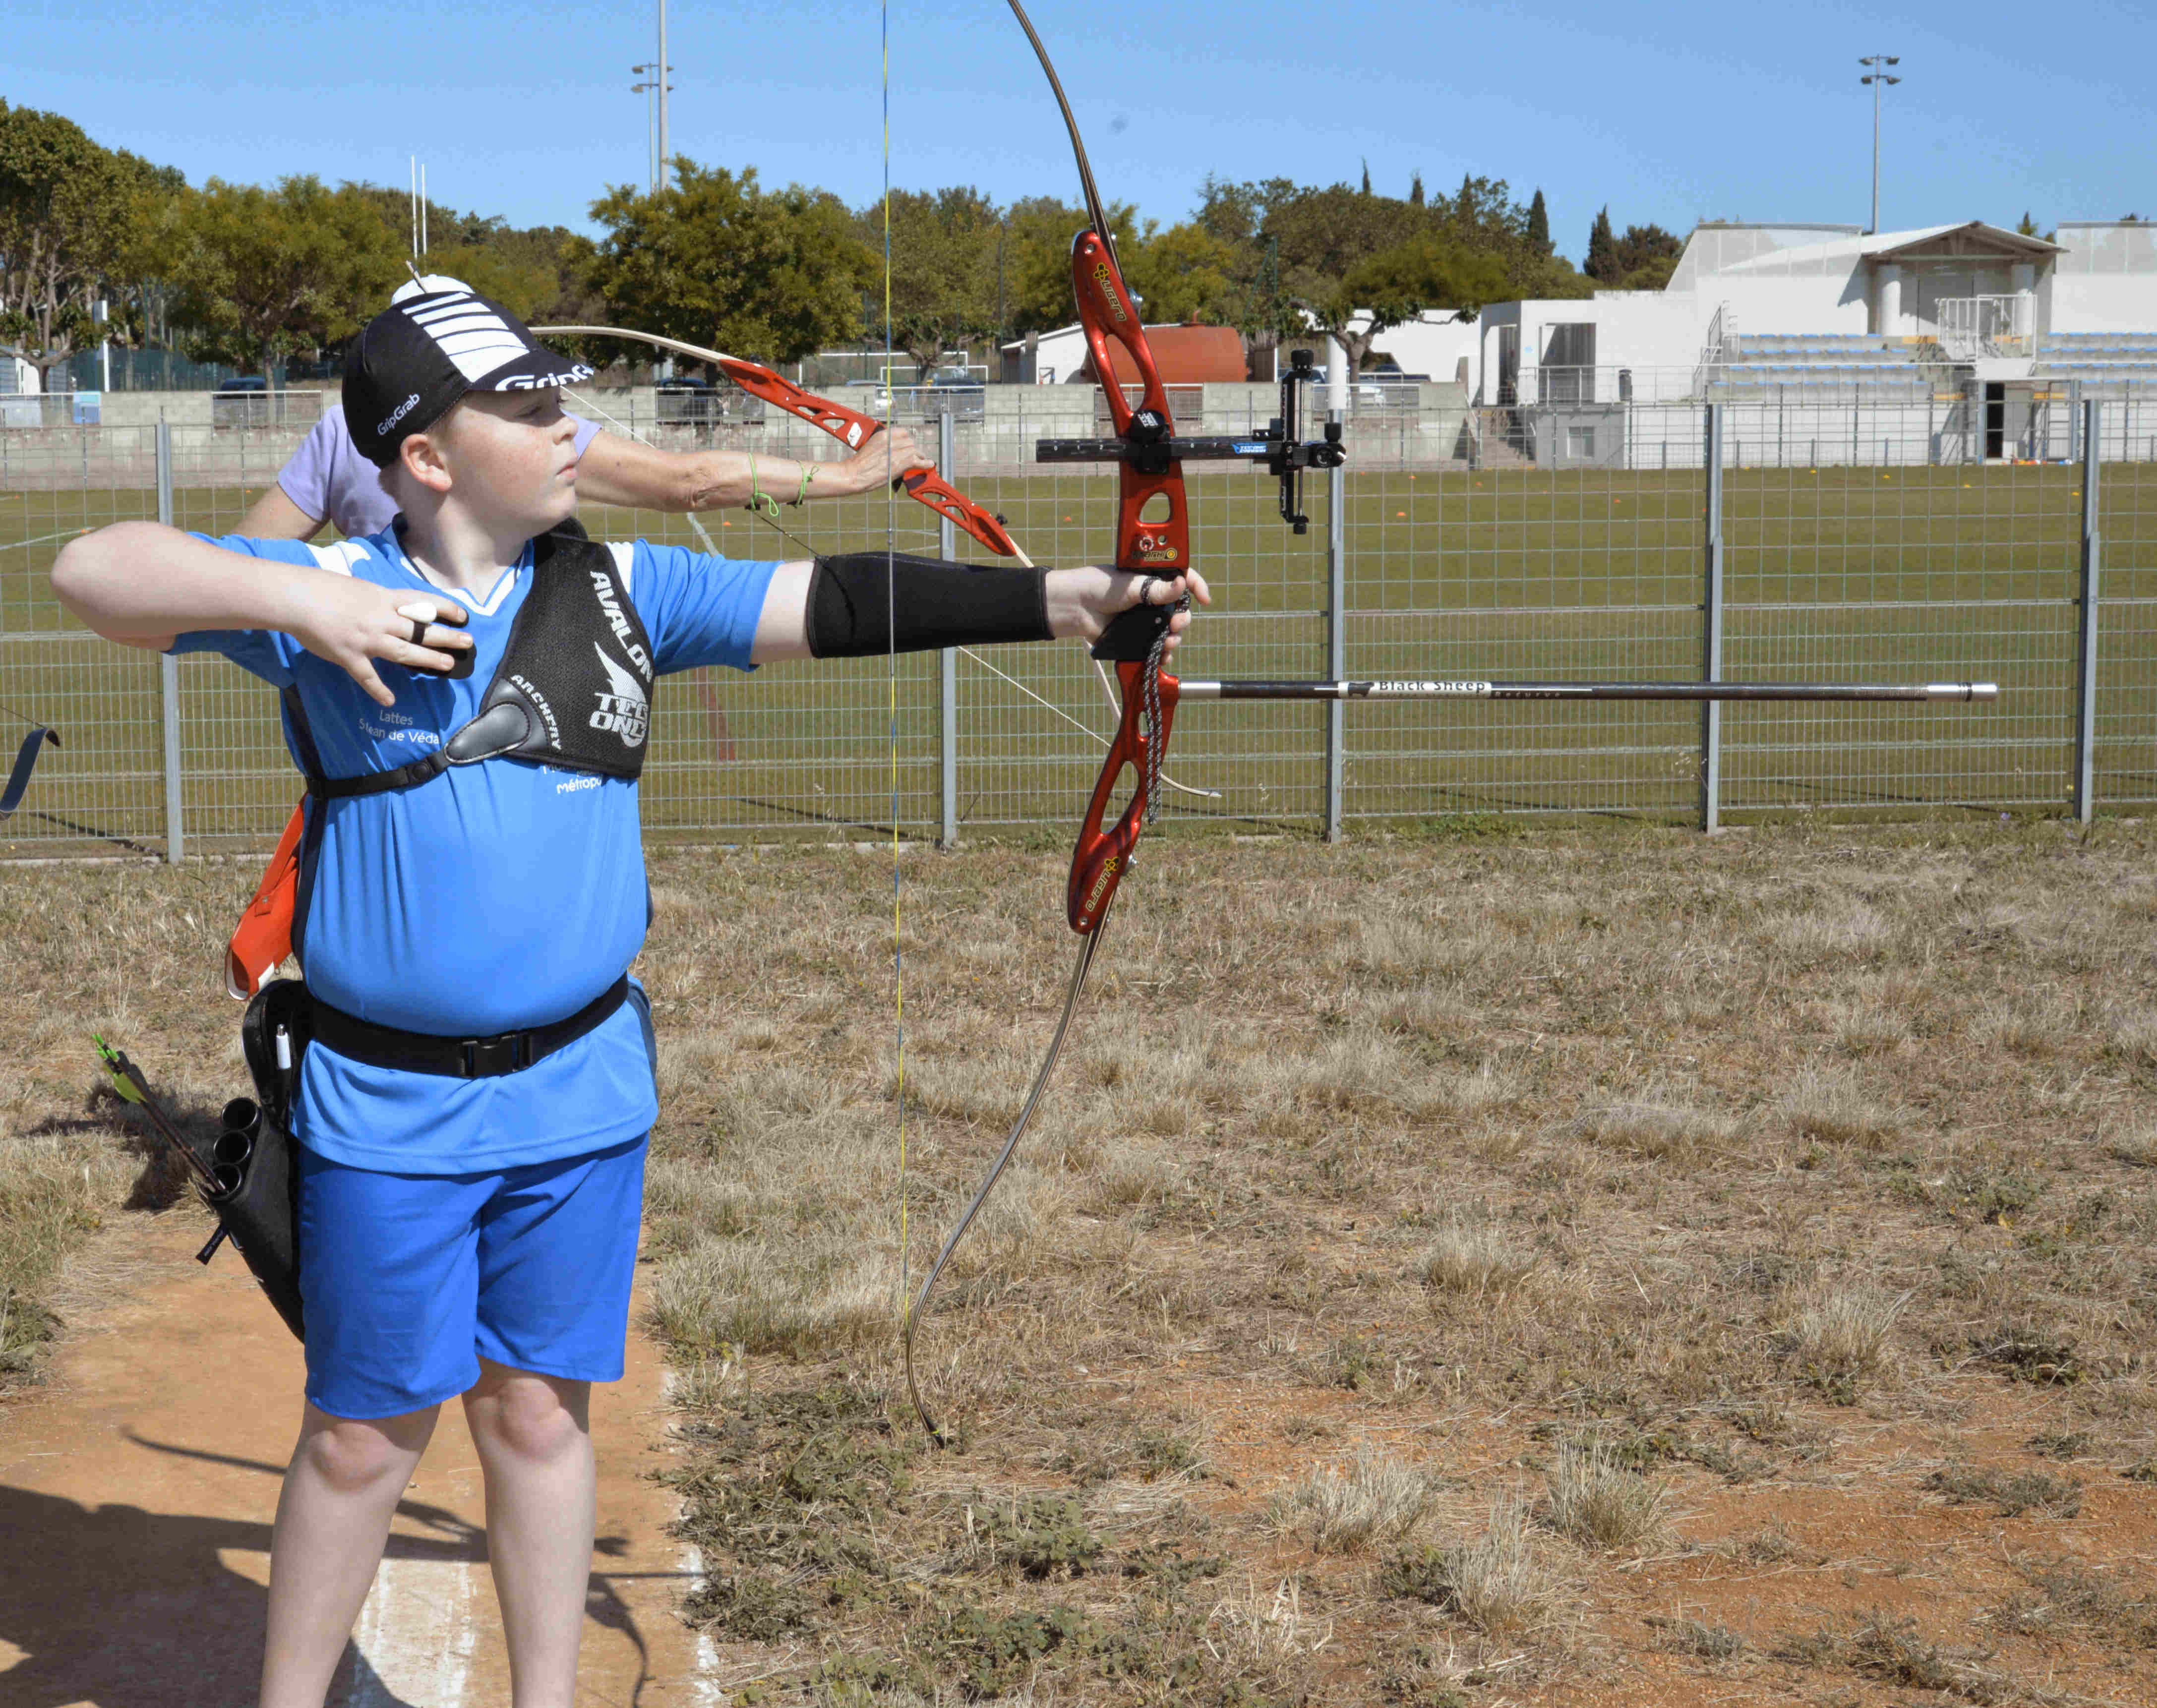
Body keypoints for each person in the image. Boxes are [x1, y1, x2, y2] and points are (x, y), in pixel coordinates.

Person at [51, 285, 1203, 1708]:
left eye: (562, 400)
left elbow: (837, 599)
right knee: (363, 1436)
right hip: (387, 1108)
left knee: (539, 1413)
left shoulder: (623, 589)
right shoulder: (328, 595)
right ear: (428, 456)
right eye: (529, 407)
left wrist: (1067, 600)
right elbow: (93, 570)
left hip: (579, 1097)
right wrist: (305, 596)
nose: (568, 428)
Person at [240, 274, 929, 544]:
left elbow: (246, 560)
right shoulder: (522, 435)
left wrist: (326, 608)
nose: (556, 424)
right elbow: (685, 483)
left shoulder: (342, 428)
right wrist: (846, 477)